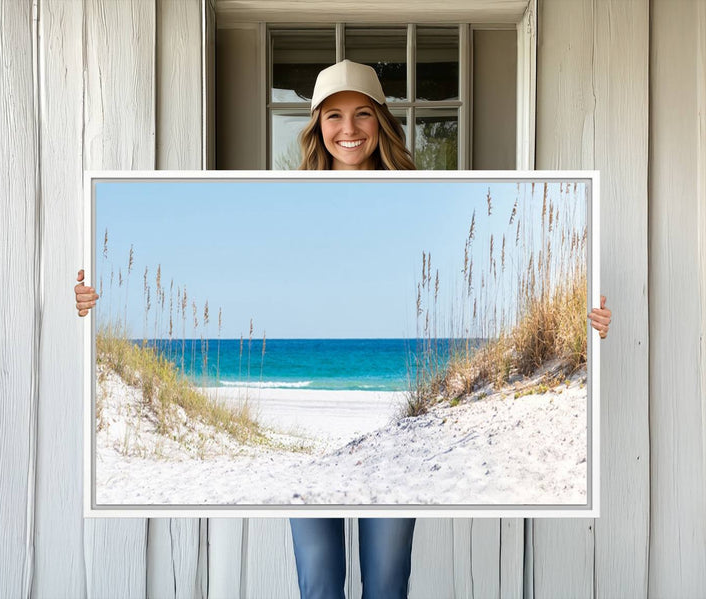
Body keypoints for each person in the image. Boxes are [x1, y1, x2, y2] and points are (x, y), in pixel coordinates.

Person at [74, 59, 613, 599]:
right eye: (333, 116)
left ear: (381, 121)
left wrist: (583, 325)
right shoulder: (285, 201)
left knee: (385, 588)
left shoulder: (424, 195)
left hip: (398, 441)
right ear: (316, 126)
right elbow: (234, 269)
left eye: (362, 114)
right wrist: (94, 304)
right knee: (319, 588)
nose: (348, 129)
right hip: (309, 455)